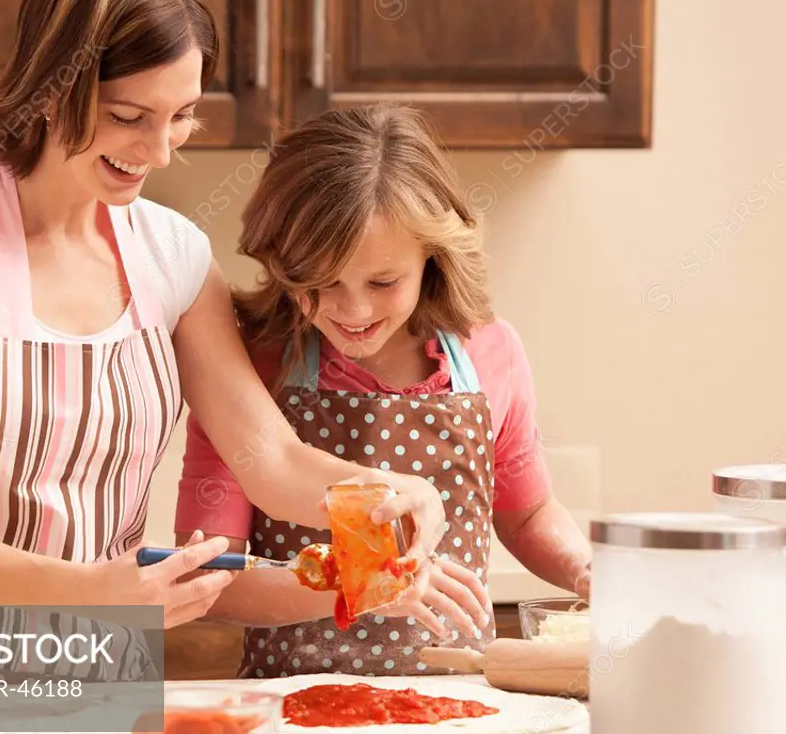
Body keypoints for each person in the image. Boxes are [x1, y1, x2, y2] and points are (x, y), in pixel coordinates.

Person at [0, 0, 449, 626]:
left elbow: (270, 458)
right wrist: (89, 592)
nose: (158, 151)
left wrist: (393, 487)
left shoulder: (170, 252)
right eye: (127, 117)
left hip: (94, 677)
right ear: (52, 88)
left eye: (181, 118)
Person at [174, 104, 593, 677]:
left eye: (383, 281)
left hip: (465, 705)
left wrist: (584, 569)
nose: (353, 310)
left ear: (433, 257)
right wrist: (361, 583)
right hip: (295, 708)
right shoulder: (248, 366)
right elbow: (211, 578)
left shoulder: (492, 354)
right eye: (319, 283)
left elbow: (526, 515)